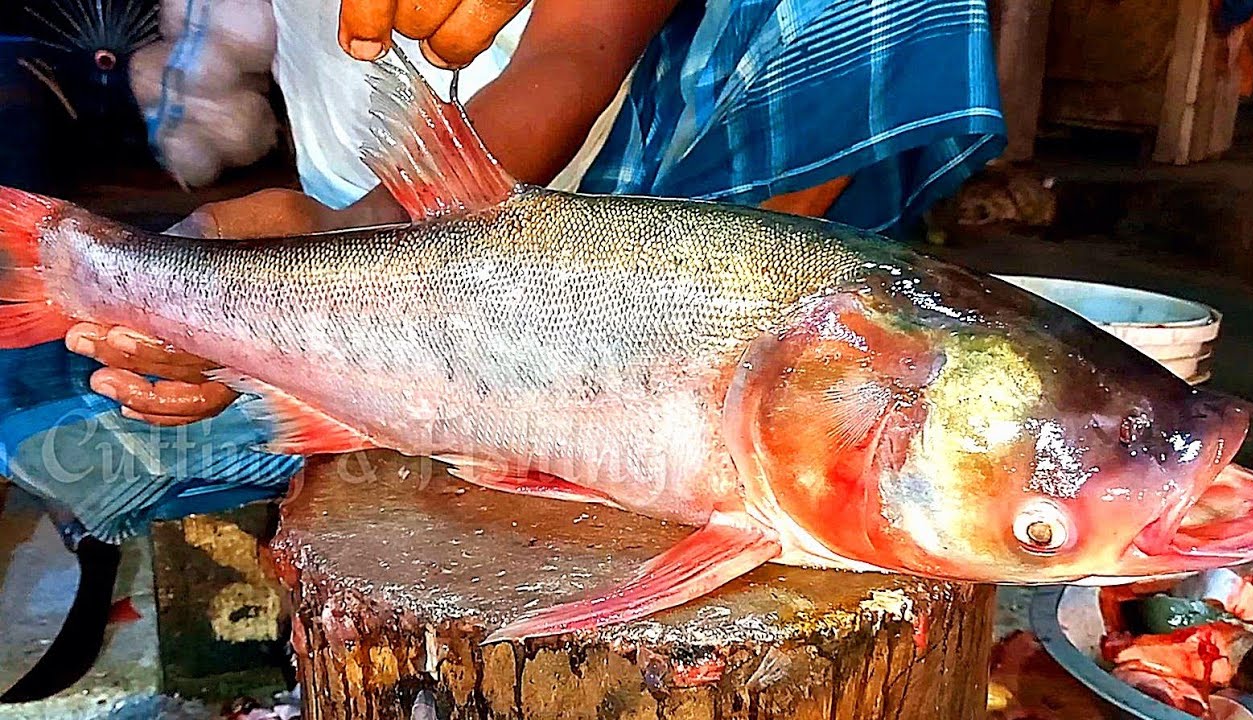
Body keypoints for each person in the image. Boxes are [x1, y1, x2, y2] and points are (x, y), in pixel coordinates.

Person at [66, 0, 1006, 427]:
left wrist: (377, 227)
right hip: (364, 227)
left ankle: (726, 392)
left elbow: (574, 47)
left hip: (626, 226)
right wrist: (318, 259)